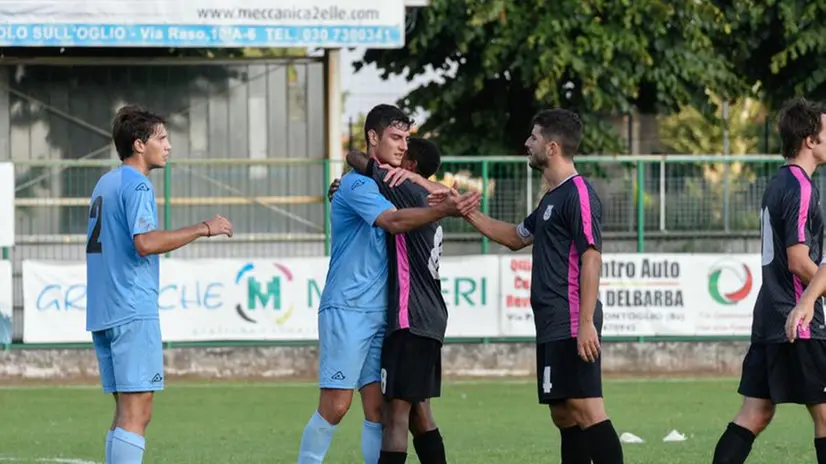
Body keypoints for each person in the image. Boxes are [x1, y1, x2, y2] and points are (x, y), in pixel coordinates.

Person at [297, 104, 479, 464]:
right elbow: (392, 221)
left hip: (383, 313)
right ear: (373, 137)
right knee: (336, 405)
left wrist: (434, 195)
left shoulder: (388, 183)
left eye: (406, 139)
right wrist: (442, 209)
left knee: (378, 409)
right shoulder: (356, 184)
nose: (402, 146)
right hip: (348, 307)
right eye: (396, 138)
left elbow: (410, 192)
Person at [454, 108, 623, 464]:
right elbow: (516, 237)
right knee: (562, 412)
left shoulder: (578, 193)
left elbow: (591, 256)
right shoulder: (551, 198)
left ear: (551, 147)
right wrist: (467, 213)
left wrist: (587, 322)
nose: (527, 142)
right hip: (550, 320)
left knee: (587, 407)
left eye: (533, 136)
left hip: (572, 315)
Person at [86, 105, 233, 464]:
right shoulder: (137, 184)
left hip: (104, 309)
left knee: (125, 412)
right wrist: (203, 228)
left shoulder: (106, 182)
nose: (168, 146)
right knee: (138, 413)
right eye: (161, 138)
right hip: (132, 308)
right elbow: (145, 242)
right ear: (139, 144)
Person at [713, 97, 826, 464]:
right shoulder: (800, 187)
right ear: (810, 139)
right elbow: (797, 261)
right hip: (797, 317)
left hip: (770, 316)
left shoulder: (780, 181)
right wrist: (819, 289)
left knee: (755, 414)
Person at [336, 137, 461, 464]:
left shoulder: (404, 188)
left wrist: (354, 184)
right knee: (420, 414)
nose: (396, 157)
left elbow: (355, 157)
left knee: (395, 415)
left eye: (402, 154)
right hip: (429, 317)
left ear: (411, 167)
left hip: (410, 318)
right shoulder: (425, 194)